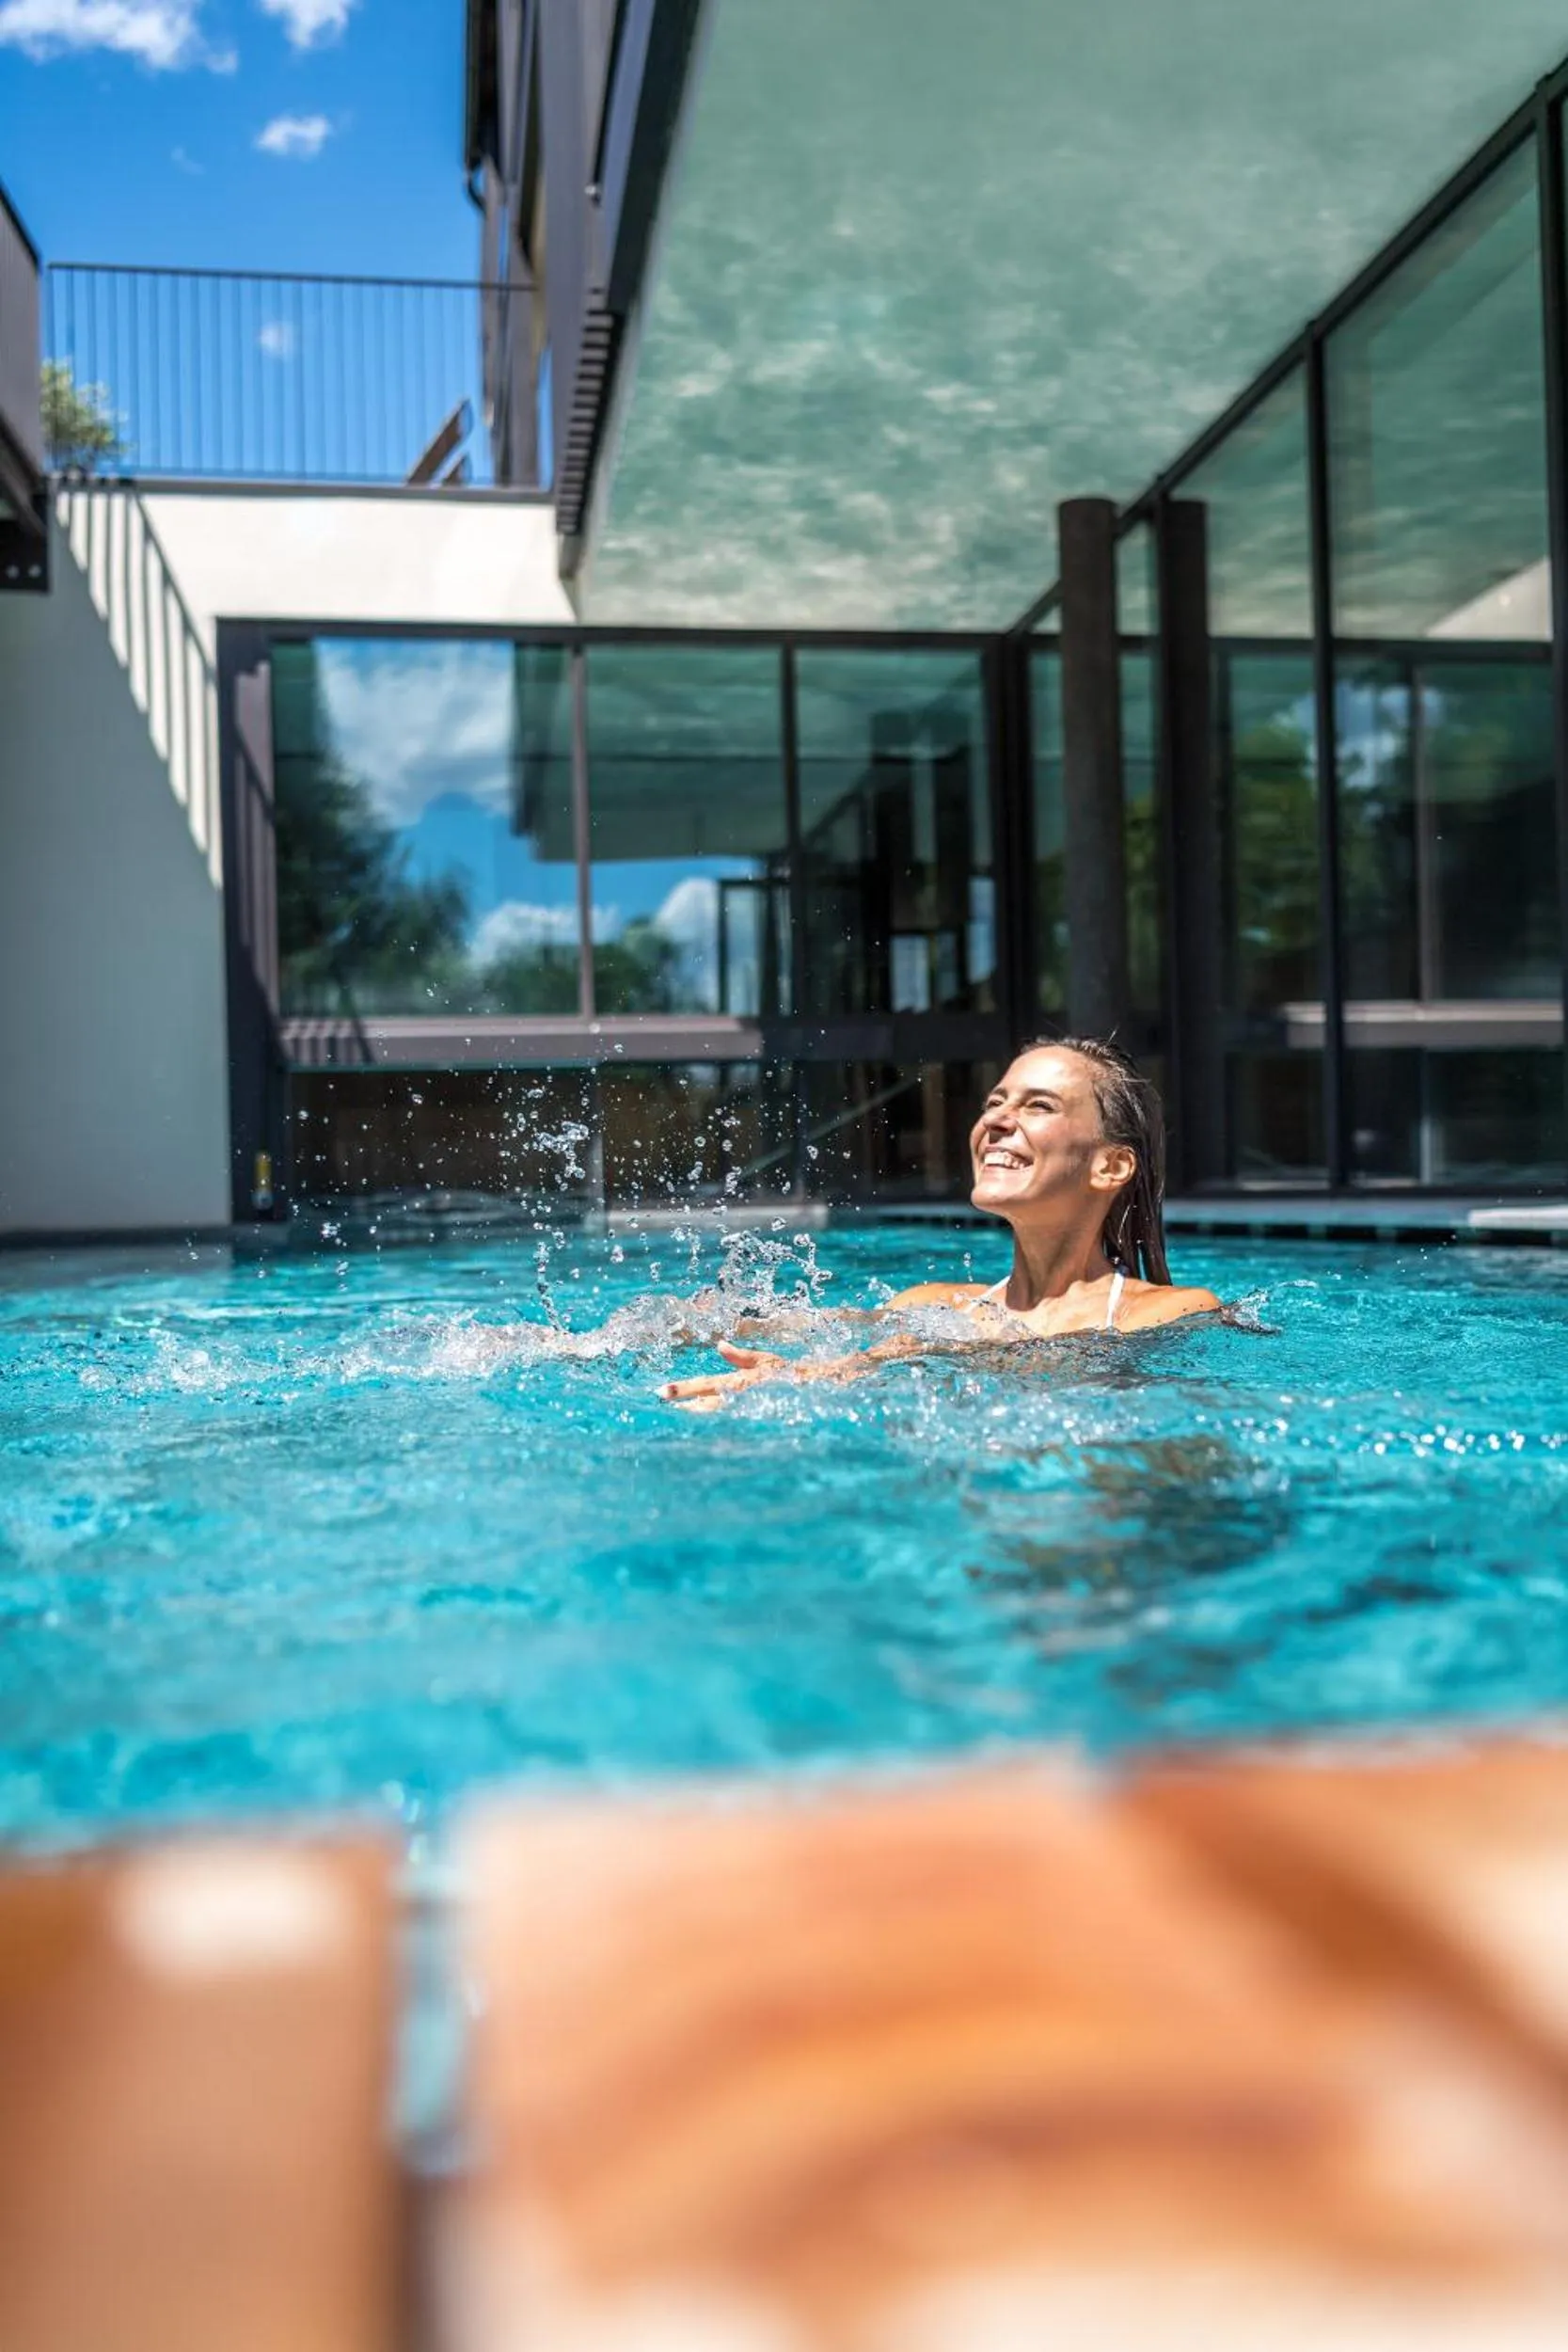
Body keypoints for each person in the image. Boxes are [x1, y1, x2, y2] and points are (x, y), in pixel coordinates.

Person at [661, 1036, 1221, 1410]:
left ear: (1110, 1166)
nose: (997, 1120)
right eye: (996, 1102)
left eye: (1039, 1106)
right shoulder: (932, 1306)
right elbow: (818, 1327)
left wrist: (863, 1365)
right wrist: (691, 1325)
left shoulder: (1171, 1311)